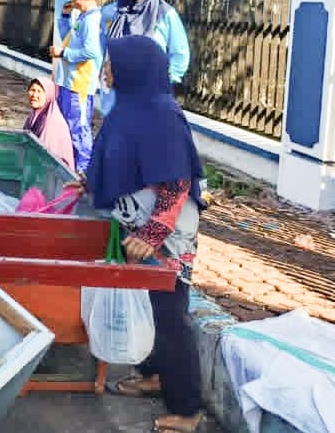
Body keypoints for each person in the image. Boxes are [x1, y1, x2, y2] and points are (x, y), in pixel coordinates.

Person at [86, 35, 205, 433]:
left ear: (134, 69)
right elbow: (121, 160)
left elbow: (176, 181)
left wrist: (153, 233)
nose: (106, 71)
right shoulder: (130, 109)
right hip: (139, 224)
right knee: (150, 307)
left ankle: (188, 410)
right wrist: (89, 183)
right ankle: (155, 376)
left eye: (112, 65)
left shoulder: (161, 114)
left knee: (171, 316)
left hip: (166, 233)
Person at [100, 0, 190, 114]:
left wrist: (164, 81)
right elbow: (101, 50)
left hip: (151, 96)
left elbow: (180, 55)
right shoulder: (110, 13)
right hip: (115, 97)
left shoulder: (165, 14)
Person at [49, 0, 103, 172]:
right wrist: (64, 17)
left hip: (79, 84)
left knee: (79, 129)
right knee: (67, 127)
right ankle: (72, 166)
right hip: (69, 82)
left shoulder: (92, 20)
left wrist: (63, 53)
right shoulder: (82, 17)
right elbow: (69, 40)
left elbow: (91, 52)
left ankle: (84, 170)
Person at [23, 77, 75, 171]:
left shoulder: (52, 123)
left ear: (49, 96)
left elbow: (44, 159)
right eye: (32, 90)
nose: (34, 95)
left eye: (39, 91)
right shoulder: (34, 115)